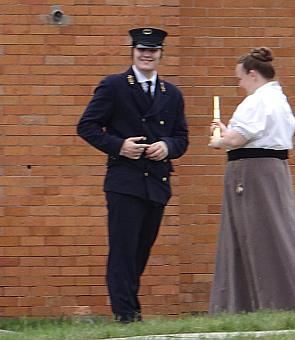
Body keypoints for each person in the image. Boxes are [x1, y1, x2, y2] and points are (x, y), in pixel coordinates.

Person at [77, 27, 189, 323]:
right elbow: (86, 126)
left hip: (157, 182)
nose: (146, 55)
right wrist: (119, 146)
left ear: (161, 54)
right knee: (123, 251)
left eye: (152, 50)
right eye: (141, 49)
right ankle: (126, 316)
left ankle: (129, 310)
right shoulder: (114, 85)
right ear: (133, 51)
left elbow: (182, 137)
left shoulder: (171, 93)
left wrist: (167, 146)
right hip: (125, 181)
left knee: (140, 252)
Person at [208, 47, 295, 314]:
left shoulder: (257, 101)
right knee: (275, 232)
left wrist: (219, 140)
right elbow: (252, 135)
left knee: (256, 235)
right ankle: (284, 301)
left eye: (239, 78)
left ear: (252, 74)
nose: (238, 84)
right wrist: (230, 135)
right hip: (272, 170)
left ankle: (259, 305)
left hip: (252, 174)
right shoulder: (278, 100)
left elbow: (238, 140)